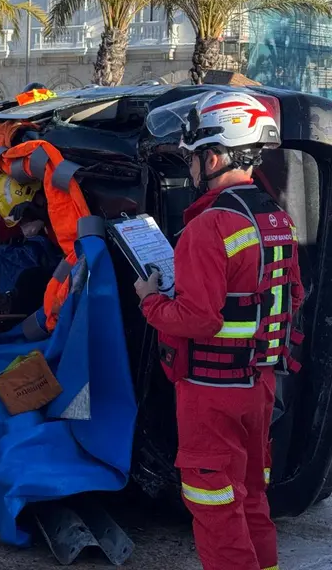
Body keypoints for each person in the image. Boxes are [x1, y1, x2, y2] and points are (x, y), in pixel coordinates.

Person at [134, 90, 304, 570]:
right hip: (260, 385)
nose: (191, 169)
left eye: (193, 157)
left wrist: (150, 299)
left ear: (214, 155)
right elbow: (292, 296)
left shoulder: (208, 226)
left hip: (211, 394)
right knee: (252, 500)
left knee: (214, 507)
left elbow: (198, 318)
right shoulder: (275, 218)